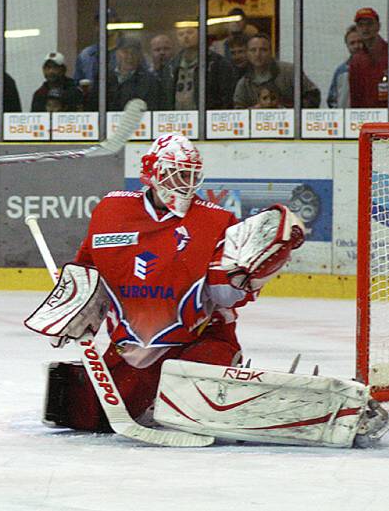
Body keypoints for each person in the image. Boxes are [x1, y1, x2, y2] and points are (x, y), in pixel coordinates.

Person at [33, 133, 304, 434]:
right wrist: (75, 305)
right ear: (152, 172)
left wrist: (247, 277)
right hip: (131, 349)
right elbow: (88, 270)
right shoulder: (112, 212)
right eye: (177, 174)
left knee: (198, 411)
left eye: (190, 175)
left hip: (198, 343)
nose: (185, 183)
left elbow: (224, 297)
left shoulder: (216, 221)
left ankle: (223, 379)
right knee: (89, 418)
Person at [233, 33, 320, 108]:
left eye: (263, 50)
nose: (257, 54)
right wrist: (254, 111)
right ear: (247, 53)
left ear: (271, 52)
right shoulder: (244, 83)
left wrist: (289, 109)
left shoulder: (289, 71)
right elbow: (238, 113)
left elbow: (314, 96)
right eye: (253, 50)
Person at [162, 22, 236, 110]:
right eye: (181, 34)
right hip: (178, 118)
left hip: (207, 117)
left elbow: (226, 96)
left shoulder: (217, 63)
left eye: (190, 32)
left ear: (200, 34)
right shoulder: (171, 66)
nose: (185, 37)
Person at [349, 7, 389, 108]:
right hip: (368, 117)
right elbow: (355, 97)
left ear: (378, 26)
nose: (365, 29)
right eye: (361, 25)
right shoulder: (356, 60)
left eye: (369, 24)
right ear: (357, 29)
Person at [105, 36, 162, 111]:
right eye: (125, 52)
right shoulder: (104, 79)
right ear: (117, 53)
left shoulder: (150, 81)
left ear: (140, 56)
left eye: (134, 52)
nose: (130, 56)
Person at [74, 8, 121, 85]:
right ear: (96, 27)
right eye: (101, 23)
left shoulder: (129, 53)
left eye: (110, 23)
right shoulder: (86, 55)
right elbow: (77, 86)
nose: (106, 26)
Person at [327, 26, 363, 108]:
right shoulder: (341, 71)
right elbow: (332, 100)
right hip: (346, 119)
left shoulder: (375, 68)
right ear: (347, 45)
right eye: (352, 43)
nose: (356, 46)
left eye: (360, 42)